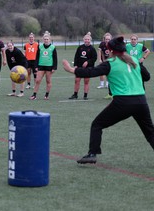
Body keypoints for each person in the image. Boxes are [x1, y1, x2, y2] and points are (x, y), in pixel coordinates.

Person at [62, 36, 154, 164]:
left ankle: (92, 154)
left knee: (97, 125)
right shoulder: (134, 60)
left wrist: (72, 70)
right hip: (141, 101)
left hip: (123, 102)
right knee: (150, 133)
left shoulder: (110, 63)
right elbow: (147, 77)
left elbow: (91, 72)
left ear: (111, 51)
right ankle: (92, 154)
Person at [68, 32, 97, 100]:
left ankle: (85, 95)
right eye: (85, 39)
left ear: (90, 40)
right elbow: (76, 57)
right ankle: (75, 94)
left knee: (86, 81)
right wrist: (75, 65)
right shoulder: (80, 47)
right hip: (79, 67)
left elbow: (94, 58)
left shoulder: (92, 49)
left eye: (88, 39)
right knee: (77, 80)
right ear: (83, 40)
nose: (86, 40)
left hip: (88, 68)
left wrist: (87, 62)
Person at [29, 31, 57, 100]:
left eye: (47, 39)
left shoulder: (53, 47)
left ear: (49, 40)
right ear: (43, 40)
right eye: (45, 39)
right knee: (38, 80)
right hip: (41, 66)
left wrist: (54, 67)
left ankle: (46, 95)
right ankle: (34, 95)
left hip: (49, 66)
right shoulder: (40, 47)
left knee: (48, 81)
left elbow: (55, 58)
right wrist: (36, 66)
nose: (46, 40)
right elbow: (37, 57)